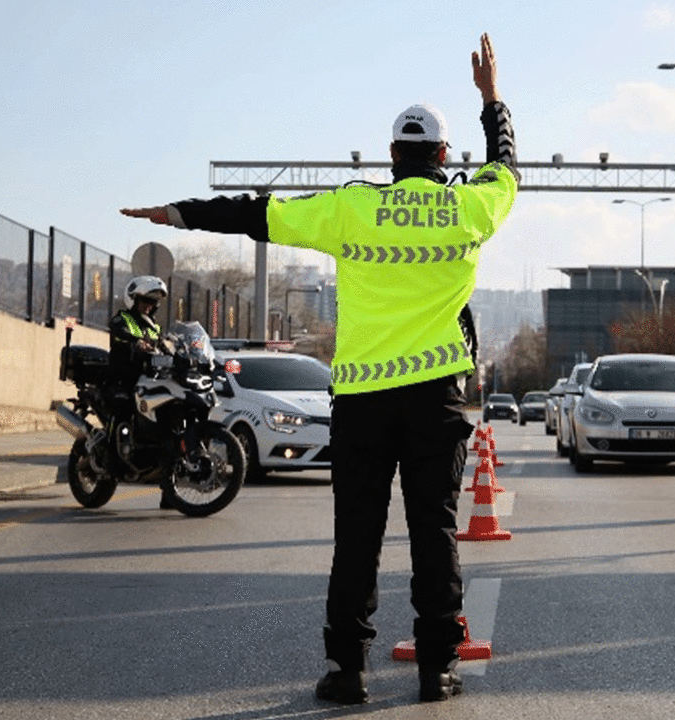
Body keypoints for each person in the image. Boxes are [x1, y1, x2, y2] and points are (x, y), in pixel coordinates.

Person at [120, 33, 517, 704]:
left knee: (356, 539)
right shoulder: (470, 206)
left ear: (393, 156)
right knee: (435, 531)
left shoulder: (352, 205)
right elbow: (508, 166)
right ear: (445, 158)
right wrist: (492, 99)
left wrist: (177, 213)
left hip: (363, 401)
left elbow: (256, 214)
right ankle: (437, 668)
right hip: (435, 401)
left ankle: (347, 672)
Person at [107, 275, 173, 508]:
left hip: (149, 383)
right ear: (133, 299)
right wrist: (136, 342)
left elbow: (165, 346)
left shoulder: (155, 327)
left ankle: (169, 492)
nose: (149, 306)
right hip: (123, 380)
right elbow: (120, 331)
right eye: (145, 300)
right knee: (122, 410)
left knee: (168, 430)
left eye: (153, 302)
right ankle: (111, 460)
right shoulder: (121, 318)